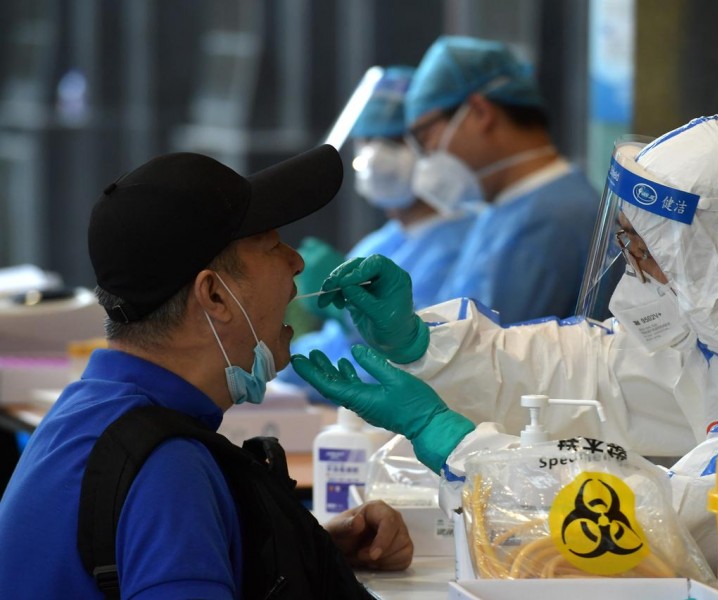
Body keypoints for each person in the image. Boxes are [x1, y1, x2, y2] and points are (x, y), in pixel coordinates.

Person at [291, 114, 718, 568]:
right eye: (628, 241)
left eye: (649, 248)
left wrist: (454, 442)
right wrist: (424, 344)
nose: (632, 266)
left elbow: (671, 524)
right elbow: (585, 371)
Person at [0, 146, 413, 598]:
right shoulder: (166, 470)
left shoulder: (90, 414)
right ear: (214, 296)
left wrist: (305, 554)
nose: (297, 262)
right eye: (273, 245)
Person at [279, 66, 475, 390]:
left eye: (396, 140)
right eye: (367, 139)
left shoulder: (462, 242)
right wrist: (278, 364)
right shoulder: (381, 244)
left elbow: (425, 352)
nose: (376, 157)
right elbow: (338, 347)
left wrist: (349, 309)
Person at [404, 35, 600, 322]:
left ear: (481, 112)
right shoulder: (508, 209)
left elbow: (480, 357)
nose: (426, 158)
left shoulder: (550, 221)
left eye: (425, 139)